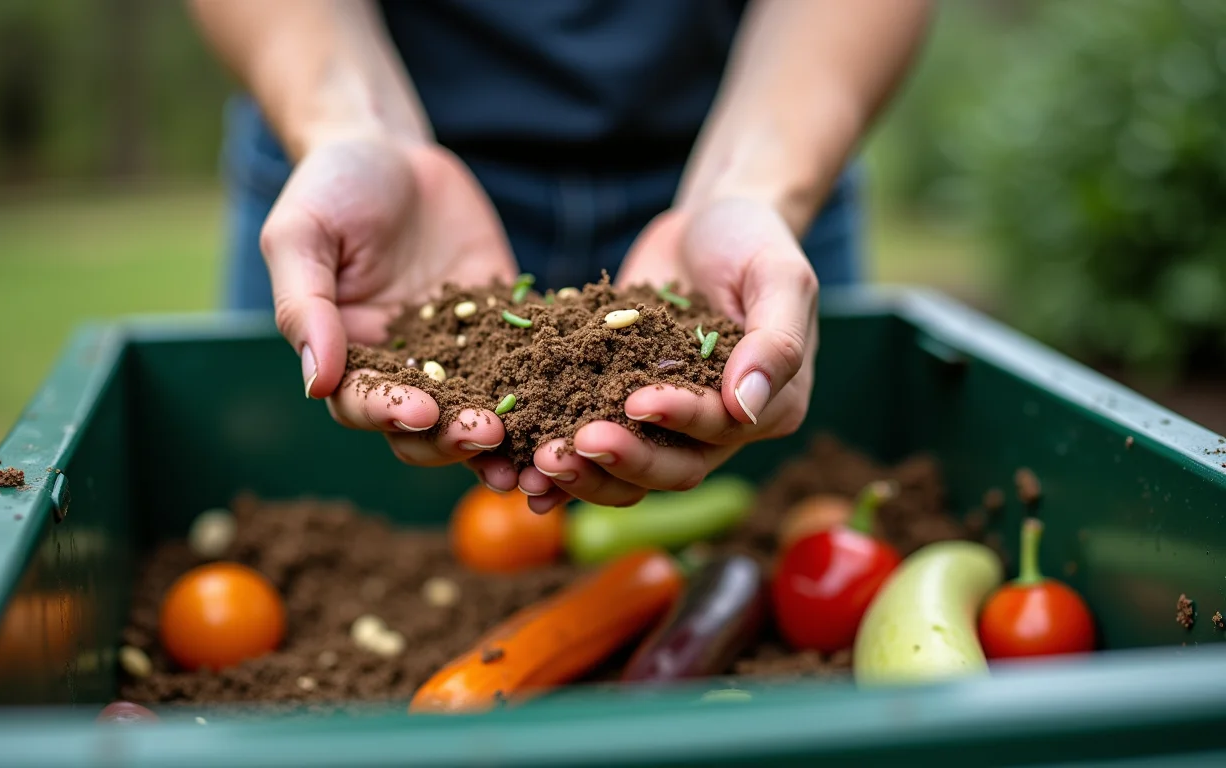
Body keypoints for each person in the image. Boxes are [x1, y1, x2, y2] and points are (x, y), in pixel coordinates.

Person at [189, 0, 932, 512]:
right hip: (376, 172)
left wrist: (758, 185)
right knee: (309, 517)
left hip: (761, 133)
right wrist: (349, 124)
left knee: (776, 513)